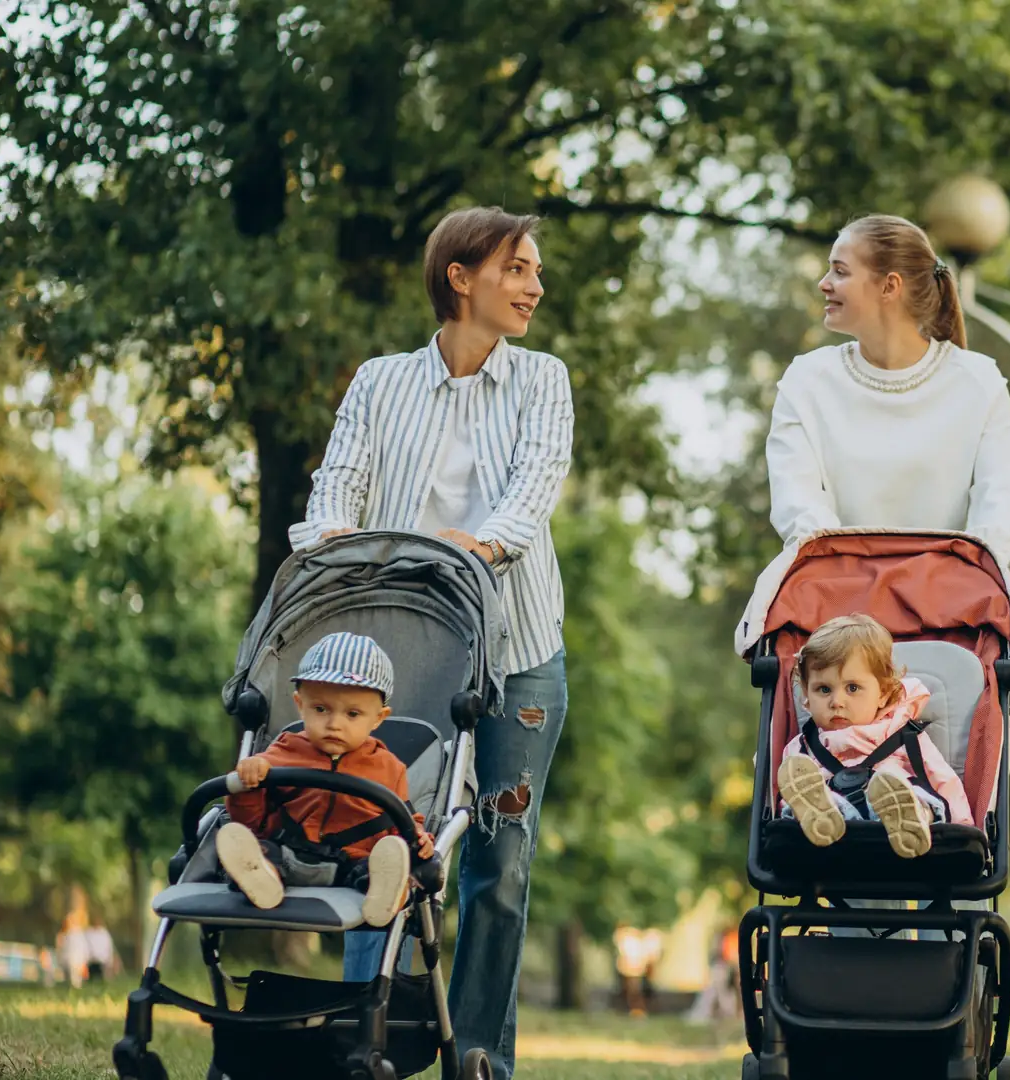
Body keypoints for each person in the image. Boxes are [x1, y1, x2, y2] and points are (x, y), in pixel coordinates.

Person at [289, 206, 573, 1079]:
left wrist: (477, 546)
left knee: (501, 861)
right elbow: (336, 486)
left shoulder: (543, 380)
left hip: (517, 645)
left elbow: (533, 491)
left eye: (534, 271)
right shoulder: (380, 383)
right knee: (370, 833)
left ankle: (478, 1057)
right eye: (517, 269)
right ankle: (362, 1041)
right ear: (462, 276)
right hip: (402, 652)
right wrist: (337, 543)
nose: (534, 285)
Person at [766, 213, 1010, 582]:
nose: (823, 283)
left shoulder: (978, 382)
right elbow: (798, 504)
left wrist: (958, 587)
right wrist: (854, 582)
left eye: (840, 271)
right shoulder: (807, 380)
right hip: (838, 601)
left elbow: (1000, 502)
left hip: (952, 609)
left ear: (889, 286)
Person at [216, 632, 433, 928]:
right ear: (299, 704)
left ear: (379, 718)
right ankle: (260, 879)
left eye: (353, 714)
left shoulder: (389, 767)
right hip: (290, 854)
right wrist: (247, 786)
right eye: (320, 709)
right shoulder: (283, 751)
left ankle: (386, 894)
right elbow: (251, 820)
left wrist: (418, 838)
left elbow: (404, 819)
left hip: (353, 862)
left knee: (384, 864)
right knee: (258, 849)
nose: (334, 724)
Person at [778, 614, 973, 858]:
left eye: (853, 688)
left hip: (894, 816)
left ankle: (910, 818)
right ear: (806, 693)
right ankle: (822, 816)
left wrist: (964, 829)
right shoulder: (803, 747)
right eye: (823, 689)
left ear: (882, 693)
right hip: (839, 829)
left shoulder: (904, 734)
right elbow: (791, 791)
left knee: (912, 791)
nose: (837, 702)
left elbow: (944, 781)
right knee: (814, 796)